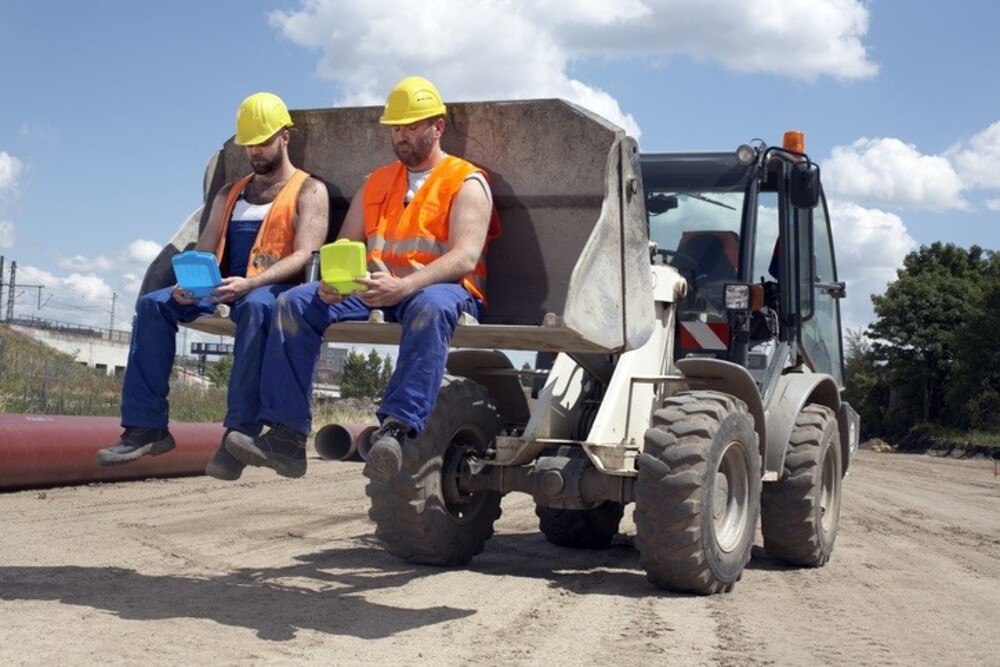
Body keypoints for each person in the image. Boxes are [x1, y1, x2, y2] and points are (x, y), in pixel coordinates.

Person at [225, 76, 500, 481]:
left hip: (440, 289)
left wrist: (405, 286)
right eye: (396, 128)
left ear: (437, 127)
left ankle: (397, 430)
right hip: (374, 287)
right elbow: (346, 242)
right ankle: (287, 436)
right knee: (293, 303)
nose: (401, 136)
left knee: (430, 308)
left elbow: (466, 256)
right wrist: (335, 281)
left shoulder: (466, 181)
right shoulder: (377, 181)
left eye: (411, 127)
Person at [95, 92, 329, 481]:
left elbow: (306, 254)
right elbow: (205, 250)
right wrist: (187, 286)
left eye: (262, 142)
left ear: (284, 137)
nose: (255, 151)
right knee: (154, 304)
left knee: (256, 307)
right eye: (249, 144)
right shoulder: (229, 193)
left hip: (269, 288)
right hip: (221, 287)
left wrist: (251, 283)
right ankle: (146, 427)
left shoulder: (310, 190)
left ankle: (238, 435)